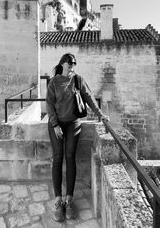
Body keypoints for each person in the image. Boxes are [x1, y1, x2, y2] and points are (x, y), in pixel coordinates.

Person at [46, 53, 109, 222]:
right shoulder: (54, 82)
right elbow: (49, 105)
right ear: (63, 63)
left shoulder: (78, 80)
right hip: (57, 125)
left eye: (74, 62)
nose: (73, 64)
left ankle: (69, 200)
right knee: (58, 158)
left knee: (70, 157)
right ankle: (58, 201)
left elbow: (89, 97)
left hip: (73, 124)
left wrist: (100, 114)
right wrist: (55, 125)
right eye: (70, 62)